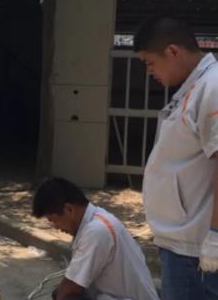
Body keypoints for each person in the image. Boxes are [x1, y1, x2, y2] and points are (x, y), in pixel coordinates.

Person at [135, 16, 218, 300]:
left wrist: (216, 234)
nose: (149, 72)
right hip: (181, 242)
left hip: (195, 248)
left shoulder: (212, 87)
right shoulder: (193, 87)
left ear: (172, 51)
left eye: (150, 63)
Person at [32, 177, 159, 300]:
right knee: (59, 292)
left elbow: (72, 286)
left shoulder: (97, 231)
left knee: (67, 296)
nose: (56, 227)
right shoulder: (95, 219)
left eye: (54, 220)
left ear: (69, 209)